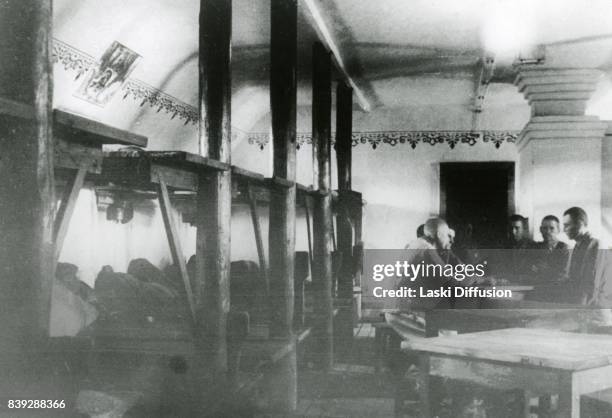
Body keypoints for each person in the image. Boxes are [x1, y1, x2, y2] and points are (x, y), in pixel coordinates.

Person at [563, 207, 600, 305]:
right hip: (576, 299)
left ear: (580, 224)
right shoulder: (577, 246)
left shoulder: (595, 245)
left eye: (567, 225)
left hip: (588, 303)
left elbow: (594, 281)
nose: (564, 230)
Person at [530, 215, 569, 284]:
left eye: (552, 228)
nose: (548, 231)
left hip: (556, 289)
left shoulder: (564, 249)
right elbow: (531, 270)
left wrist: (544, 269)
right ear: (540, 230)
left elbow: (562, 274)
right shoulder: (535, 247)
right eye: (545, 228)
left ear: (558, 230)